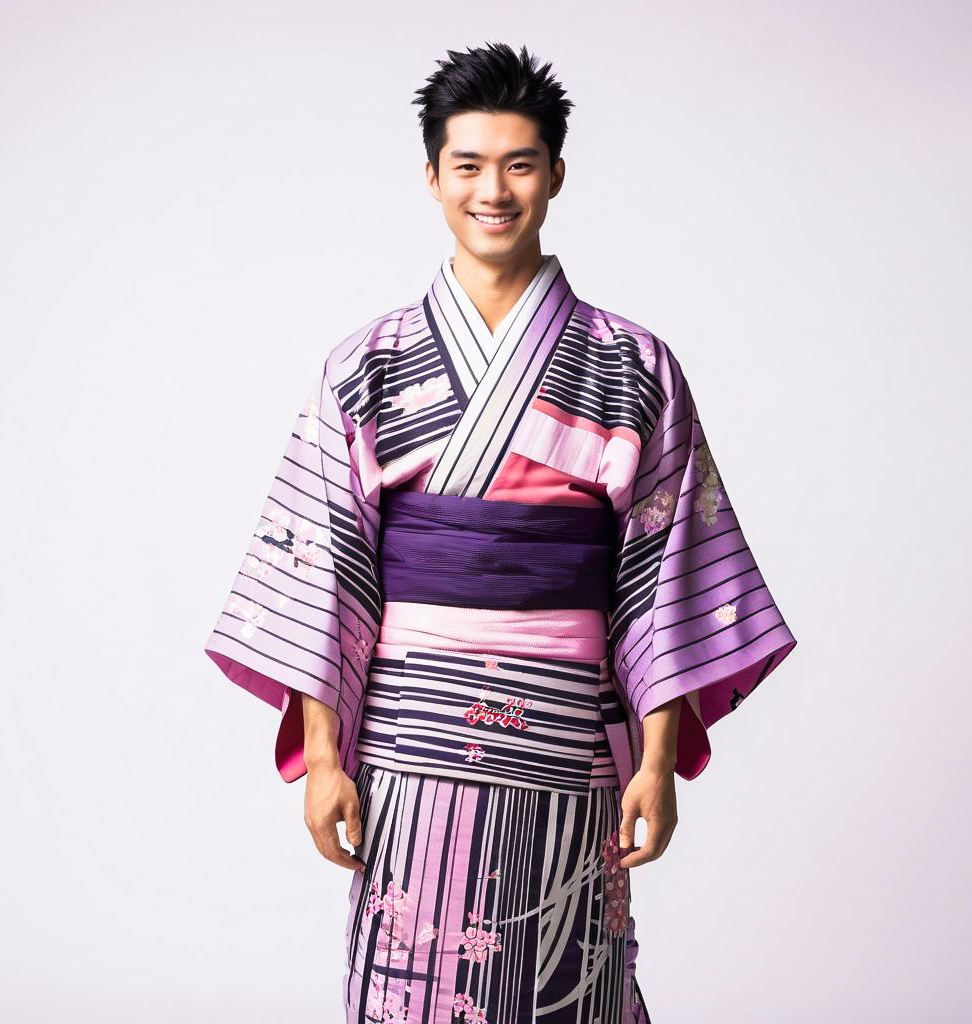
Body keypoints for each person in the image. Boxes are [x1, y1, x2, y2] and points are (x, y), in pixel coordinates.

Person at [203, 40, 797, 1024]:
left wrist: (653, 762)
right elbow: (325, 577)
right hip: (406, 735)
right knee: (409, 981)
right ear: (432, 175)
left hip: (568, 732)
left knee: (570, 972)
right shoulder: (370, 364)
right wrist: (323, 761)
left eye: (519, 164)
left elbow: (660, 577)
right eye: (469, 165)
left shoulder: (630, 366)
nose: (494, 189)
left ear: (555, 174)